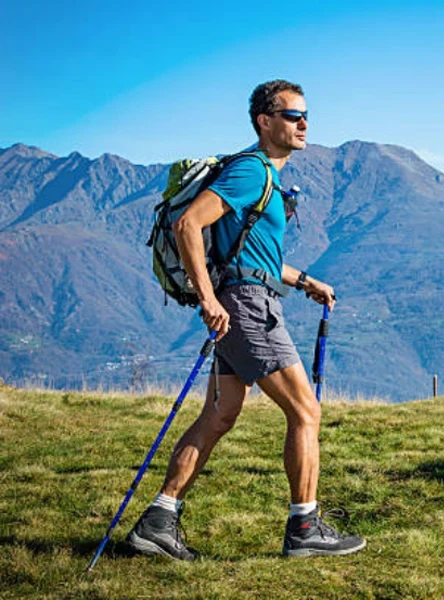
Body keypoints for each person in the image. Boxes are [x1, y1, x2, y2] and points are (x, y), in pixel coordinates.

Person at [125, 79, 366, 559]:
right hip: (247, 308)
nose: (304, 124)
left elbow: (250, 255)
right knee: (305, 411)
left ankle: (158, 521)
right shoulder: (253, 171)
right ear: (265, 120)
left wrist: (305, 281)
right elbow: (188, 223)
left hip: (247, 299)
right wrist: (209, 298)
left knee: (218, 415)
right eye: (293, 115)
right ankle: (304, 528)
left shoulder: (263, 177)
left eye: (306, 115)